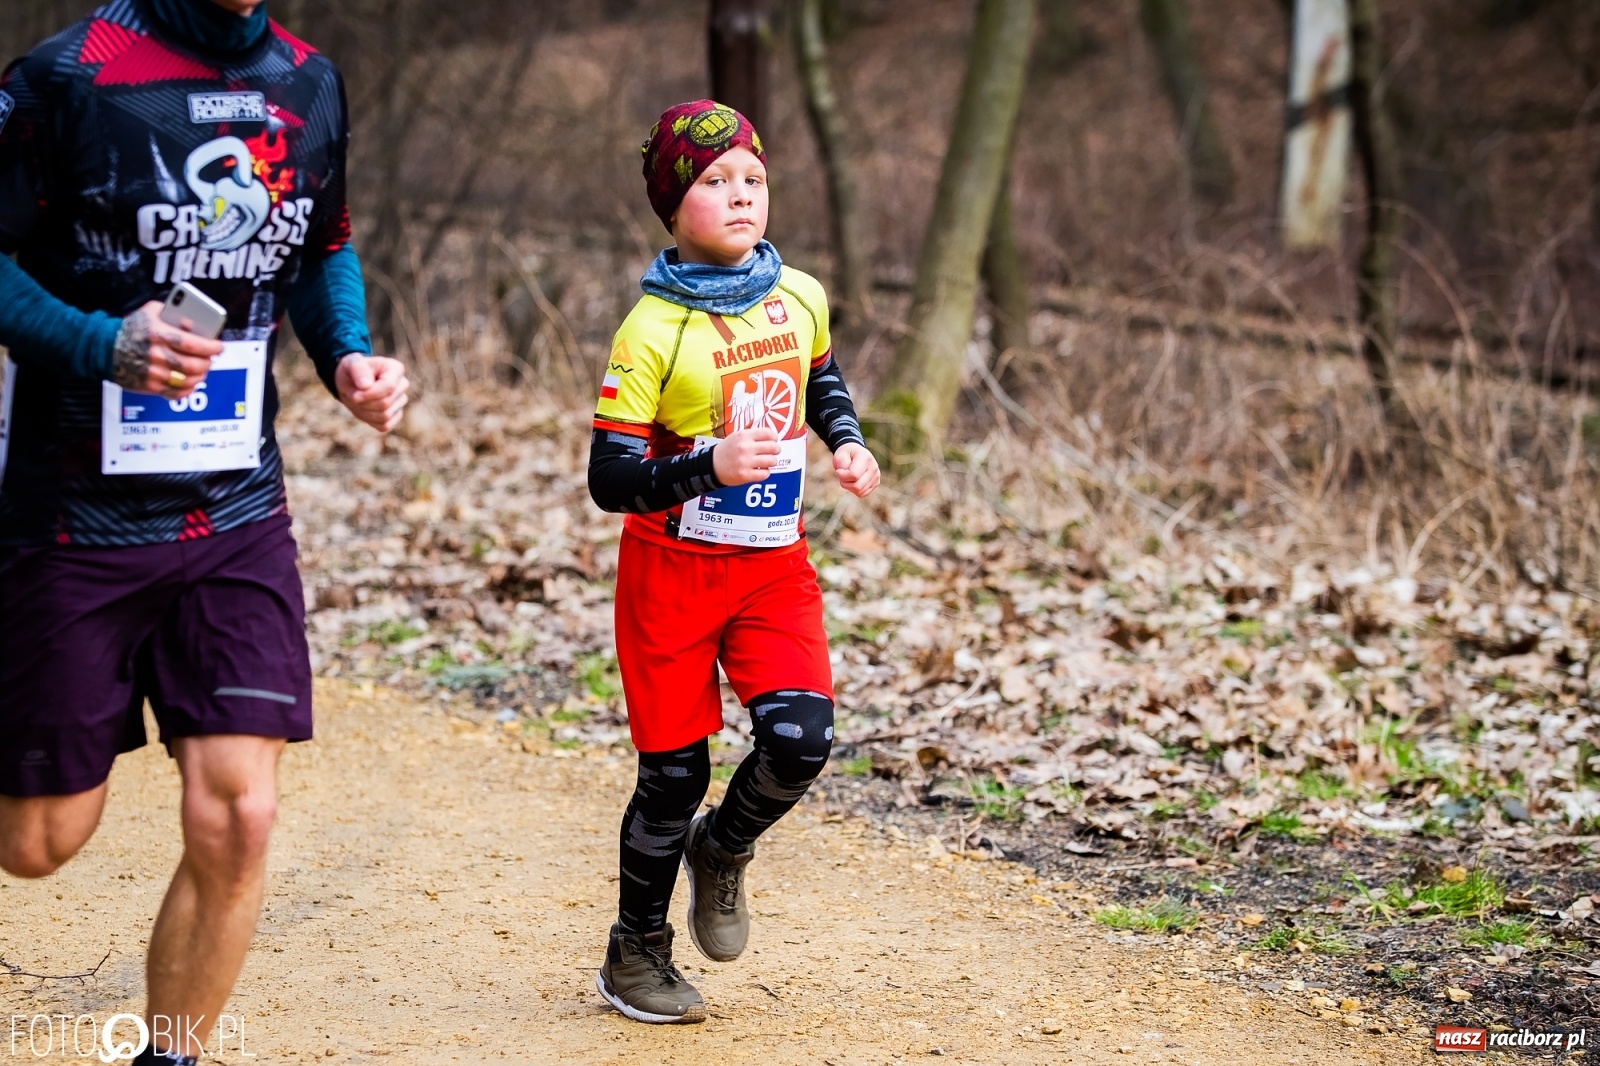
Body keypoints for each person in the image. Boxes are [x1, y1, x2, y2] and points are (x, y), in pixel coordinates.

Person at [0, 1, 406, 1062]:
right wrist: (99, 341)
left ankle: (168, 1057)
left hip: (234, 511)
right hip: (74, 515)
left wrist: (350, 356)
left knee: (239, 816)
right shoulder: (67, 76)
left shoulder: (308, 85)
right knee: (39, 841)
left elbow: (323, 248)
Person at [587, 99, 881, 1024]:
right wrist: (703, 464)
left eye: (753, 177)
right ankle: (636, 955)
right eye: (714, 183)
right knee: (672, 778)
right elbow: (610, 477)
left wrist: (846, 441)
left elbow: (819, 378)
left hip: (771, 570)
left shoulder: (800, 294)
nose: (741, 194)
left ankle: (724, 849)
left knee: (800, 740)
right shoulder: (651, 332)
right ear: (674, 207)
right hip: (670, 579)